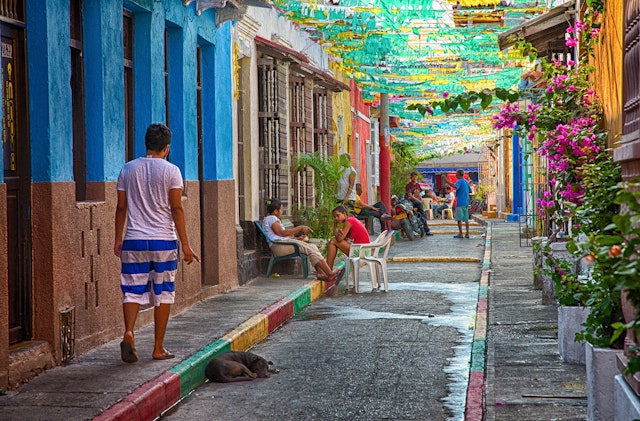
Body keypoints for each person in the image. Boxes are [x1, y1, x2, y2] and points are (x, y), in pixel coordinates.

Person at [114, 123, 200, 364]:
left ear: (146, 144)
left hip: (134, 240)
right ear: (167, 147)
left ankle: (129, 332)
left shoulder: (127, 169)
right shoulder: (172, 171)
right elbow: (176, 208)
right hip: (164, 241)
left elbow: (121, 207)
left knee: (131, 288)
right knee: (163, 293)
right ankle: (158, 348)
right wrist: (186, 244)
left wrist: (117, 239)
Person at [262, 199, 344, 283]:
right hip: (279, 247)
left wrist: (297, 239)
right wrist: (300, 228)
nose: (282, 212)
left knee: (312, 246)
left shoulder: (271, 219)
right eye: (281, 210)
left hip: (282, 244)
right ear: (275, 211)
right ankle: (330, 274)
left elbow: (280, 236)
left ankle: (321, 273)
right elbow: (281, 233)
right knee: (309, 249)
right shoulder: (272, 218)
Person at [443, 169, 473, 238]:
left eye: (456, 174)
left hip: (460, 202)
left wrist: (446, 180)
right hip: (466, 202)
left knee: (459, 219)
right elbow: (470, 191)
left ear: (459, 174)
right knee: (466, 219)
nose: (455, 175)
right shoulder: (466, 182)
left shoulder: (459, 181)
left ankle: (461, 233)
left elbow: (454, 186)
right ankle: (467, 233)